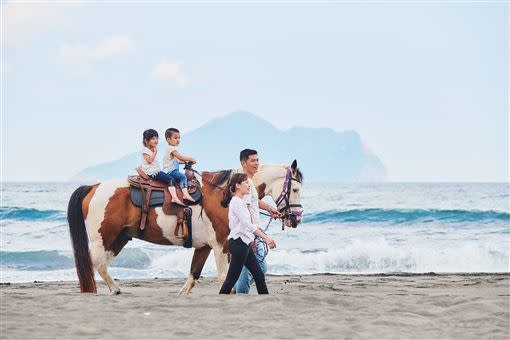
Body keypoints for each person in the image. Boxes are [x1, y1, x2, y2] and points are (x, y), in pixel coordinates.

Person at [219, 173, 276, 295]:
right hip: (239, 244)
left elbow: (248, 226)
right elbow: (248, 225)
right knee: (231, 279)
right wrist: (266, 238)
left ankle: (266, 301)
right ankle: (220, 302)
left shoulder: (240, 202)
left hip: (244, 244)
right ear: (238, 186)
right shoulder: (236, 202)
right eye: (246, 183)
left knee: (259, 275)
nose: (248, 185)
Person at [234, 149, 281, 294]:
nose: (257, 163)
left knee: (259, 267)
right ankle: (240, 295)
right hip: (249, 234)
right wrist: (253, 236)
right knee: (252, 268)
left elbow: (254, 201)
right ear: (243, 163)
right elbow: (245, 210)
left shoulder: (247, 182)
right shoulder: (245, 182)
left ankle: (237, 290)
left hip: (250, 232)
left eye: (257, 160)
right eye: (253, 161)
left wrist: (269, 208)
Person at [140, 129, 183, 206]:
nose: (156, 141)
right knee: (170, 179)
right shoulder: (145, 150)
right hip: (153, 172)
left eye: (157, 138)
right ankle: (174, 197)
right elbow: (149, 161)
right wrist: (155, 153)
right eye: (153, 139)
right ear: (146, 141)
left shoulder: (151, 149)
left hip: (156, 170)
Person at [162, 128, 196, 202]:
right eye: (175, 138)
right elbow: (180, 157)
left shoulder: (170, 149)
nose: (178, 140)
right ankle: (185, 194)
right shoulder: (171, 149)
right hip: (170, 171)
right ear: (168, 139)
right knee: (183, 177)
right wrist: (191, 158)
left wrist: (186, 162)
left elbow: (178, 161)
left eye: (179, 138)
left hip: (170, 171)